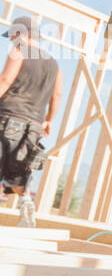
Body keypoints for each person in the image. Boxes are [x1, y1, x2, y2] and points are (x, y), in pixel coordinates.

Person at [0, 15, 61, 228]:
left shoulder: (19, 52)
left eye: (13, 36)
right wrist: (49, 121)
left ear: (22, 34)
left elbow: (5, 80)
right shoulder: (54, 64)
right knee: (18, 169)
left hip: (9, 117)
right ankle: (25, 200)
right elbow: (57, 96)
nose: (11, 40)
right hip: (34, 124)